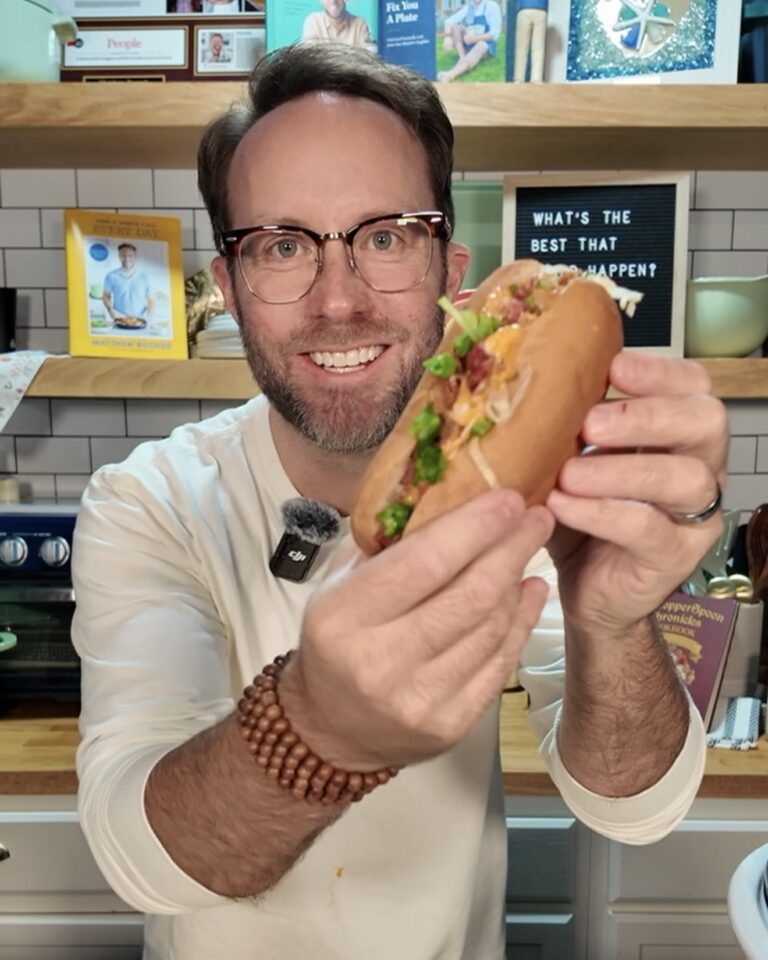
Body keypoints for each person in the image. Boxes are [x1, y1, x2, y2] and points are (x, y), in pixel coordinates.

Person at [72, 43, 728, 960]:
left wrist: (613, 620)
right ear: (229, 290)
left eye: (385, 236)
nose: (339, 302)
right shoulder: (149, 500)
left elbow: (635, 809)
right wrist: (317, 731)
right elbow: (135, 853)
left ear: (450, 273)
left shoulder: (527, 490)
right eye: (283, 245)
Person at [438, 0, 503, 82]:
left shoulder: (492, 6)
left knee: (481, 45)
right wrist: (447, 37)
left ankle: (451, 74)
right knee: (455, 27)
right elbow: (449, 21)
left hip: (485, 44)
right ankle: (462, 57)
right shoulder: (469, 7)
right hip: (470, 42)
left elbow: (494, 33)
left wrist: (474, 39)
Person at [101, 243, 153, 323]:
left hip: (140, 320)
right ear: (119, 256)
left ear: (135, 257)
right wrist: (110, 309)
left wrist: (148, 318)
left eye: (130, 256)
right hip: (120, 319)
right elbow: (106, 296)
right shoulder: (111, 276)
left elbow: (151, 300)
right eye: (123, 255)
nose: (127, 259)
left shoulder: (144, 277)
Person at [301, 0, 373, 48]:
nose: (333, 1)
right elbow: (310, 61)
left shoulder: (360, 25)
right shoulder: (312, 22)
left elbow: (364, 63)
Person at [513, 0, 548, 82]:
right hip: (540, 9)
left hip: (524, 8)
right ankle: (537, 78)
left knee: (521, 48)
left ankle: (519, 78)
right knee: (538, 48)